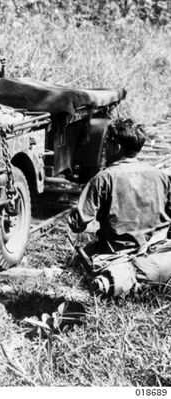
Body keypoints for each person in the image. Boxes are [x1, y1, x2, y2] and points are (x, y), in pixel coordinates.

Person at [68, 118, 171, 295]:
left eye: (107, 143)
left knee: (81, 261)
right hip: (158, 251)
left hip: (119, 254)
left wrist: (73, 216)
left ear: (116, 148)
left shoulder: (104, 179)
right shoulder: (161, 176)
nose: (104, 148)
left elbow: (78, 225)